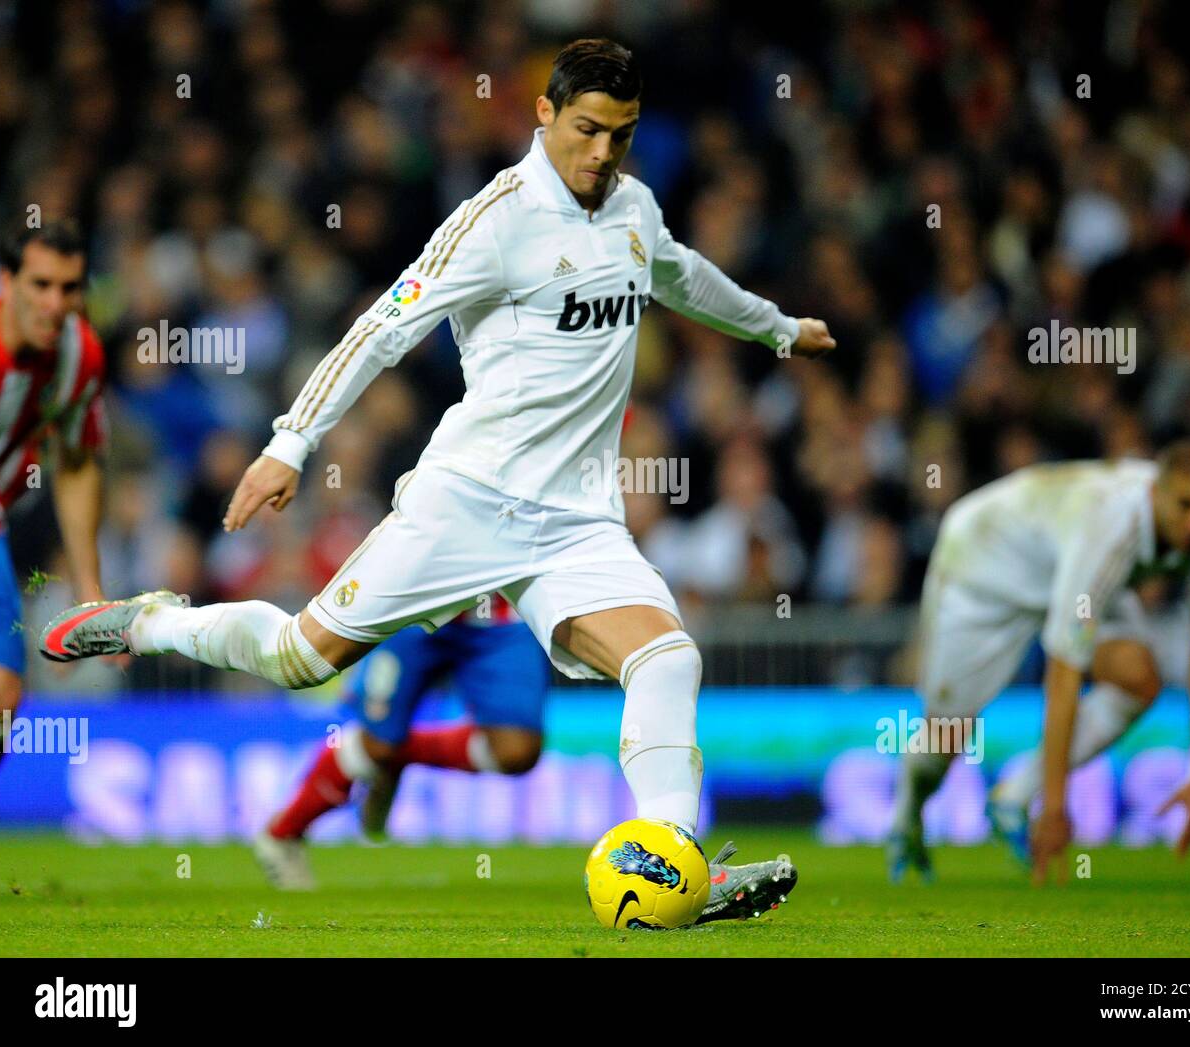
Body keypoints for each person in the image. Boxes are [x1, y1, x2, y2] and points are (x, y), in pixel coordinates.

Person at [42, 39, 833, 920]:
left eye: (623, 134)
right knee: (301, 659)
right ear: (544, 114)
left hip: (576, 521)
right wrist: (290, 442)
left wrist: (775, 328)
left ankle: (677, 870)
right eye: (586, 130)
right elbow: (382, 327)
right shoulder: (495, 221)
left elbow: (681, 276)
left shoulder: (635, 209)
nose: (603, 154)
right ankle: (149, 622)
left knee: (667, 658)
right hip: (469, 501)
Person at [888, 440, 1190, 884]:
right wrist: (1056, 808)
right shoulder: (1111, 531)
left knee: (1139, 679)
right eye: (1186, 505)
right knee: (947, 733)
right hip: (987, 560)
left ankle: (1013, 798)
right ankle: (906, 819)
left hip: (1066, 567)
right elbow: (1063, 675)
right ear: (1156, 492)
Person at [255, 595, 551, 890]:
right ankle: (282, 834)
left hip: (500, 620)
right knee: (378, 744)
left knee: (516, 752)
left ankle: (396, 754)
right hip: (411, 611)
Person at [0, 220, 111, 789]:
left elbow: (78, 461)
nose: (54, 302)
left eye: (69, 287)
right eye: (40, 284)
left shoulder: (78, 355)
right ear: (5, 281)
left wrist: (89, 590)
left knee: (0, 700)